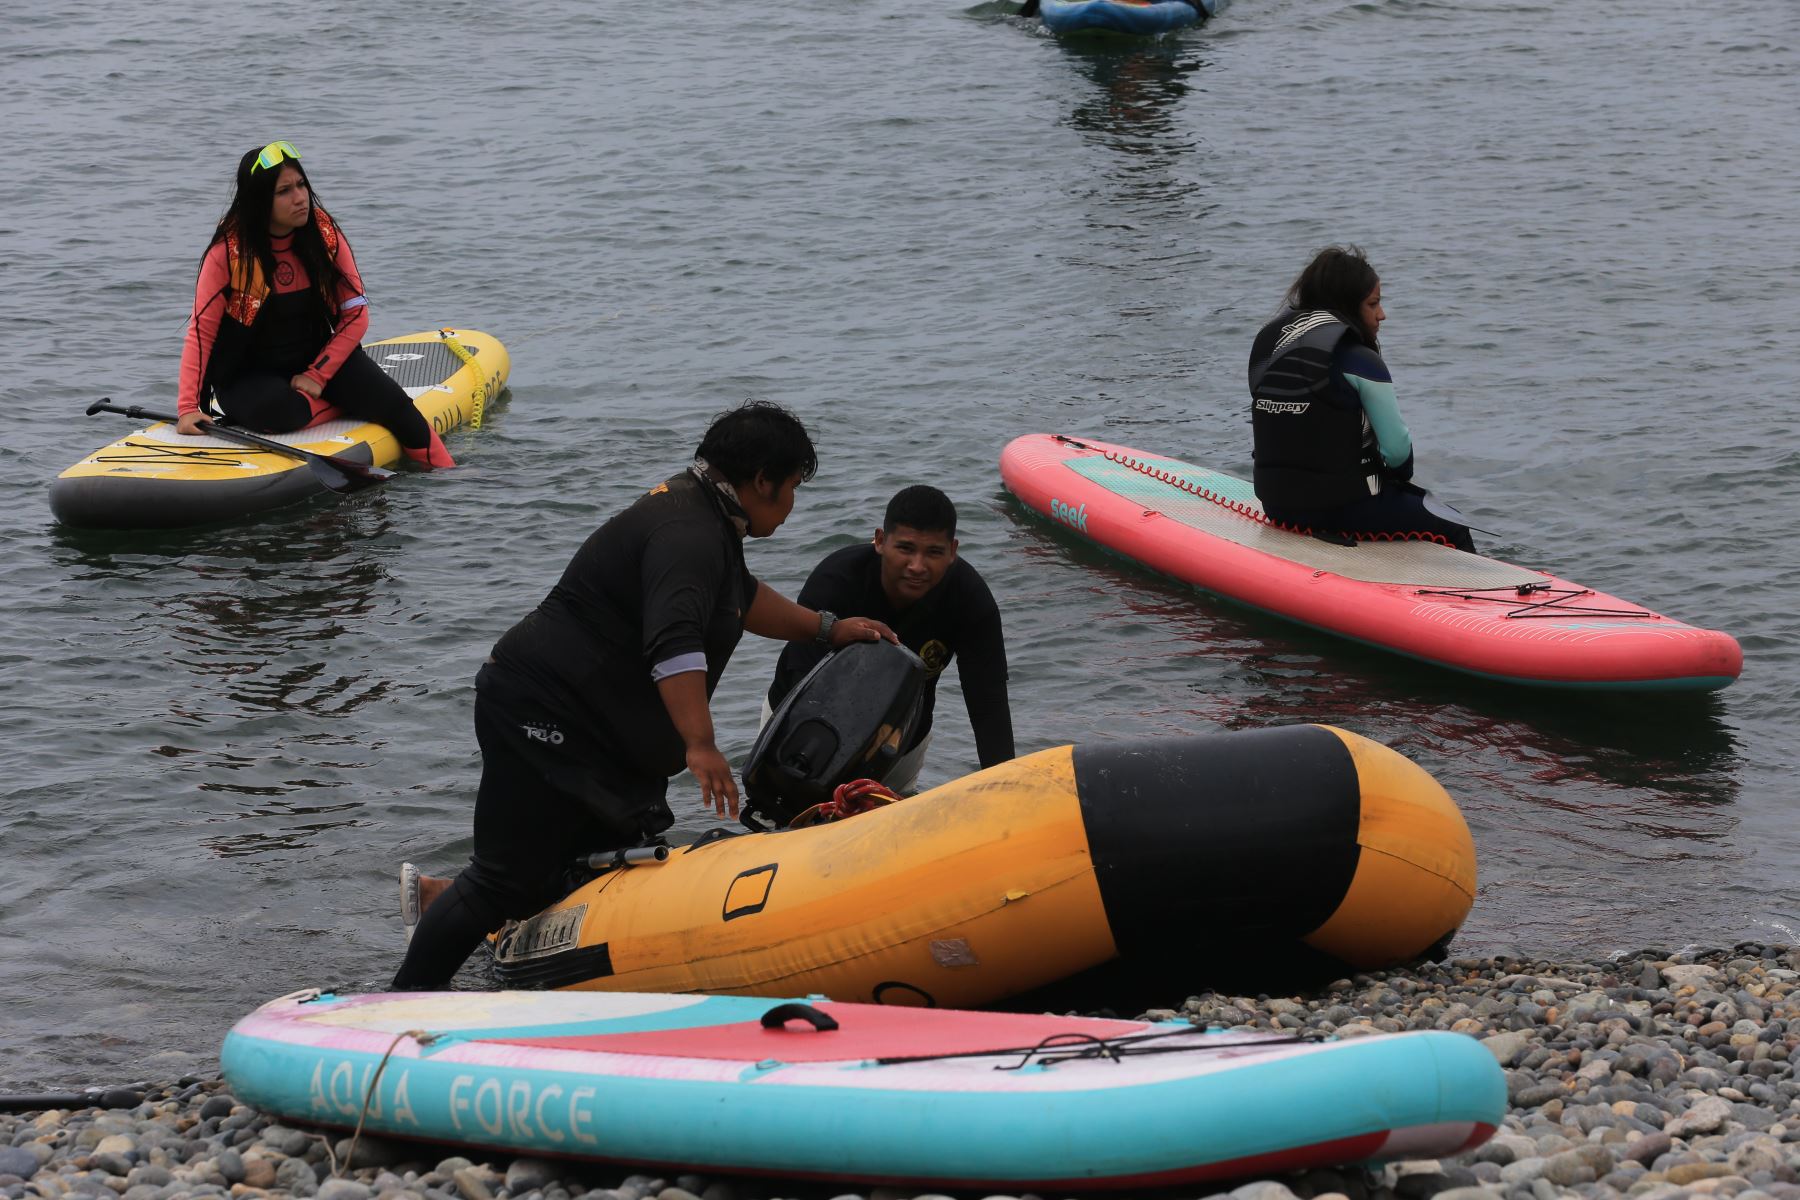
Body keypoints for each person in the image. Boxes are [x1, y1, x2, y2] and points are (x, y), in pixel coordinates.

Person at [392, 401, 896, 988]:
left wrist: (828, 628)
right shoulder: (690, 533)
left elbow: (740, 595)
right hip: (540, 708)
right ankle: (399, 1004)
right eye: (789, 490)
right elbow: (674, 643)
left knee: (615, 854)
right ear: (761, 481)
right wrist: (700, 746)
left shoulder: (705, 516)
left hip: (591, 725)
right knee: (504, 878)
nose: (789, 507)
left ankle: (476, 932)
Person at [175, 139, 454, 468]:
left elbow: (356, 314)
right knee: (280, 414)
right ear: (260, 201)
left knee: (397, 405)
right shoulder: (229, 251)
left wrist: (318, 375)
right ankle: (352, 405)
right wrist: (188, 408)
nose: (299, 198)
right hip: (247, 374)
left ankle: (453, 476)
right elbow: (202, 331)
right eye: (284, 191)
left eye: (301, 185)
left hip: (321, 359)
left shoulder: (323, 235)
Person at [765, 485, 1014, 793]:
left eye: (934, 552)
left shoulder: (971, 600)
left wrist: (1004, 790)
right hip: (802, 729)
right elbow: (802, 679)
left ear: (953, 551)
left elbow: (988, 703)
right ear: (880, 541)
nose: (917, 566)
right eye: (906, 549)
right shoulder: (837, 580)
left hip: (899, 742)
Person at [1246, 246, 1473, 551]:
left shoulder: (1270, 347)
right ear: (1348, 307)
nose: (1382, 314)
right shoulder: (1360, 360)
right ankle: (1479, 595)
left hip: (1278, 505)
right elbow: (1397, 453)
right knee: (1453, 525)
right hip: (1342, 509)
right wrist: (1396, 482)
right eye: (1373, 303)